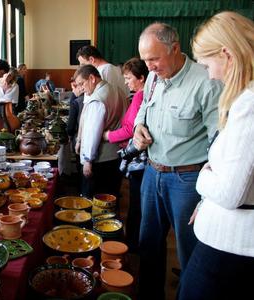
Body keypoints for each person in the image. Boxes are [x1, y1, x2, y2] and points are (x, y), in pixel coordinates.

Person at [133, 23, 222, 299]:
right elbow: (142, 113)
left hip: (187, 180)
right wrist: (138, 129)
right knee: (148, 246)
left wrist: (209, 197)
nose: (149, 67)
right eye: (145, 60)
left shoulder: (206, 81)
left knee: (190, 253)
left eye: (154, 59)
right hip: (151, 173)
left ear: (175, 49)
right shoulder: (153, 78)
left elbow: (219, 141)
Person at [178, 11, 254, 300]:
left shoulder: (248, 105)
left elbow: (230, 192)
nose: (208, 73)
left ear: (227, 54)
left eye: (207, 64)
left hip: (231, 243)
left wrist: (202, 176)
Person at [103, 57, 149, 252]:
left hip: (139, 159)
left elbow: (131, 129)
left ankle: (132, 244)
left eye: (129, 78)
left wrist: (108, 135)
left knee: (136, 204)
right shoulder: (142, 94)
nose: (126, 82)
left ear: (142, 78)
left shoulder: (140, 96)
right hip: (144, 158)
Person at [74, 64, 122, 199]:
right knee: (111, 198)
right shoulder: (117, 90)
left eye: (82, 84)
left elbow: (92, 133)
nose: (81, 88)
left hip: (100, 158)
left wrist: (88, 160)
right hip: (116, 154)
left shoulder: (97, 99)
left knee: (93, 201)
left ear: (92, 78)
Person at [66, 78, 85, 177]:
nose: (73, 90)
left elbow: (71, 125)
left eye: (74, 87)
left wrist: (69, 135)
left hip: (79, 138)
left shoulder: (76, 102)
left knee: (80, 164)